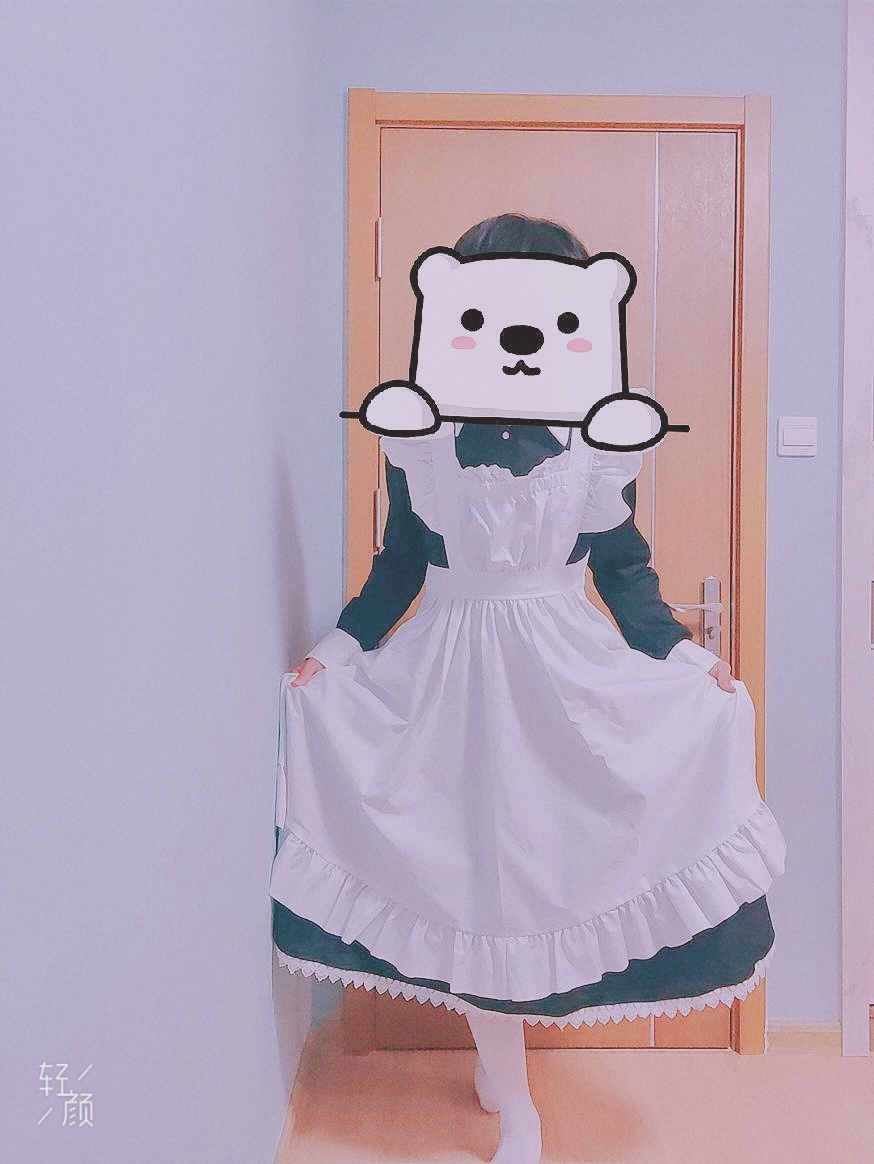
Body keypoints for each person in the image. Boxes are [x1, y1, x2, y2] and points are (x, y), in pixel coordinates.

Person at [270, 214, 786, 1164]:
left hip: (561, 675)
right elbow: (399, 566)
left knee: (540, 876)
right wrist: (336, 653)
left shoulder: (597, 442)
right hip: (448, 675)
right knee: (473, 882)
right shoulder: (422, 438)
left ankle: (504, 1081)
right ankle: (512, 1098)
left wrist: (684, 661)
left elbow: (624, 570)